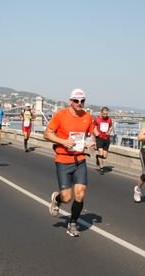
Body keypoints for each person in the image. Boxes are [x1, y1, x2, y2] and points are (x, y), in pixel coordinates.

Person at [44, 88, 95, 237]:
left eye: (82, 101)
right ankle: (57, 199)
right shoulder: (60, 115)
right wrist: (63, 141)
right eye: (76, 101)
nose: (79, 103)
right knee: (67, 197)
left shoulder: (88, 116)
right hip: (63, 159)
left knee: (80, 194)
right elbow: (47, 134)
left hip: (80, 159)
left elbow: (90, 135)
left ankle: (73, 222)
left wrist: (91, 143)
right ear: (70, 101)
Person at [93, 106, 113, 175]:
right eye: (104, 114)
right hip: (99, 138)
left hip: (106, 139)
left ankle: (97, 157)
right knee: (100, 153)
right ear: (101, 113)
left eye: (106, 114)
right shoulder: (97, 119)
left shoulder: (109, 120)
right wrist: (96, 133)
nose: (105, 115)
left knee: (104, 156)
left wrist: (109, 131)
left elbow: (111, 126)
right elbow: (94, 127)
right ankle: (101, 168)